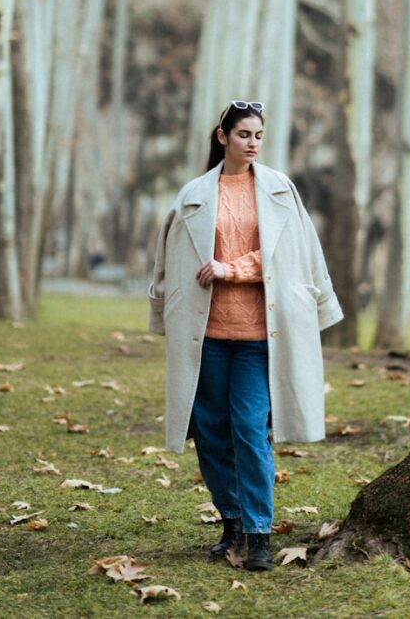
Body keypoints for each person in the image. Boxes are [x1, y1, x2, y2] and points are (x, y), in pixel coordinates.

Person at [148, 101, 343, 571]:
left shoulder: (280, 190)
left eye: (258, 134)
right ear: (222, 137)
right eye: (243, 135)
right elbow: (167, 260)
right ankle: (231, 521)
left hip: (260, 336)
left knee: (250, 429)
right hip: (207, 334)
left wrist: (229, 269)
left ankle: (259, 533)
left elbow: (295, 254)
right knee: (212, 432)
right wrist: (163, 310)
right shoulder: (193, 193)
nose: (252, 142)